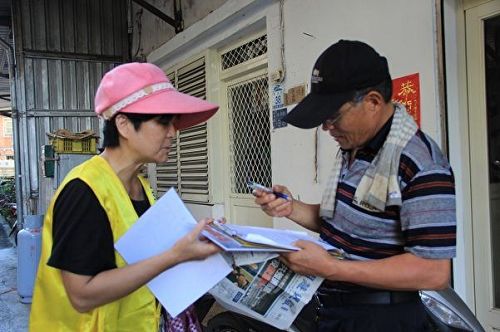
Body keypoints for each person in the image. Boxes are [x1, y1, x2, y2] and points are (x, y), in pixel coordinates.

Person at [253, 40, 456, 331]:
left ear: (373, 102)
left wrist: (332, 267)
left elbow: (433, 272)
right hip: (336, 309)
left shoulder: (420, 164)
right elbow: (342, 224)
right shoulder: (354, 148)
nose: (327, 128)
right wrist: (290, 207)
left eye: (333, 117)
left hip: (381, 319)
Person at [30, 62, 221, 332]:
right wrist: (174, 256)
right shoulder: (84, 191)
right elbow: (82, 295)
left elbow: (143, 258)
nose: (173, 133)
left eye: (174, 123)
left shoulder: (140, 185)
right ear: (124, 124)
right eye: (163, 122)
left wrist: (194, 240)